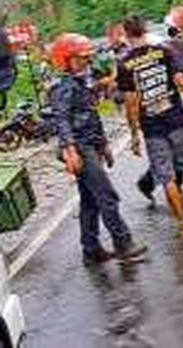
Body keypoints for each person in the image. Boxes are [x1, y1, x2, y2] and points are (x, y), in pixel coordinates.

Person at [48, 33, 147, 266]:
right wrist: (70, 151)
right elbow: (61, 120)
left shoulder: (81, 81)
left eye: (86, 57)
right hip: (80, 147)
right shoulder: (61, 86)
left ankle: (91, 250)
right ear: (66, 59)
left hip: (89, 143)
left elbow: (91, 116)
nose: (86, 61)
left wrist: (103, 145)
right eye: (80, 58)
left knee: (90, 200)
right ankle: (123, 244)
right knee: (106, 195)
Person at [118, 15, 183, 239]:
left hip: (151, 126)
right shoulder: (163, 51)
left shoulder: (124, 64)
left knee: (166, 177)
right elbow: (182, 82)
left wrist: (134, 134)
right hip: (174, 117)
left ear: (126, 35)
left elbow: (131, 102)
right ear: (145, 29)